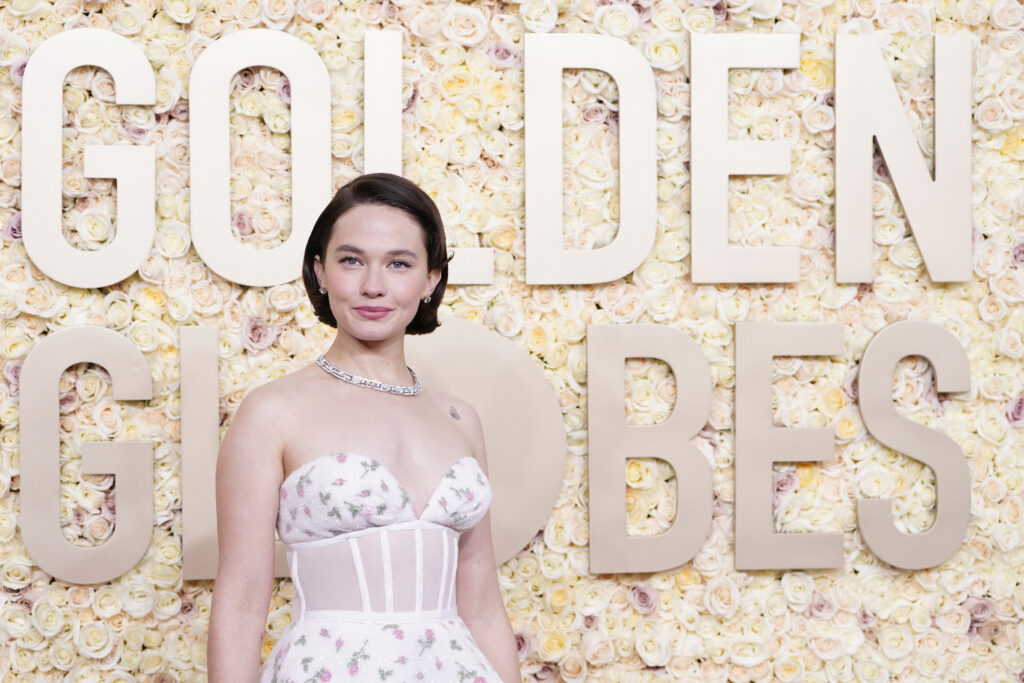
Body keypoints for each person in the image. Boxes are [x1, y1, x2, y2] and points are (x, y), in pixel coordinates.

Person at [208, 173, 521, 682]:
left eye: (399, 263)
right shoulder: (273, 412)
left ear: (430, 280)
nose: (373, 285)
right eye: (352, 260)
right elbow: (242, 603)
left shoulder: (460, 419)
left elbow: (482, 604)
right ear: (321, 271)